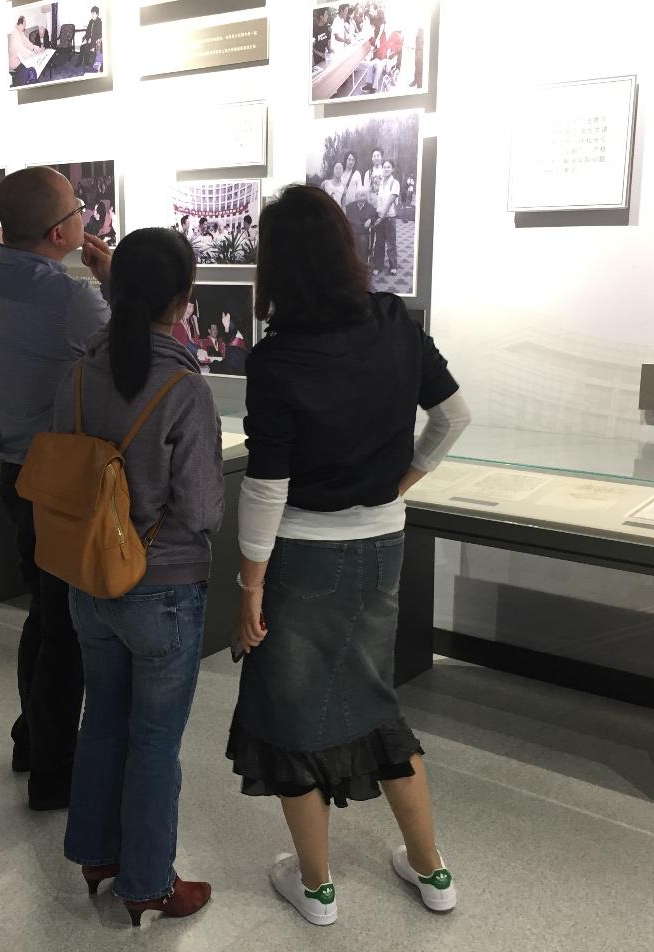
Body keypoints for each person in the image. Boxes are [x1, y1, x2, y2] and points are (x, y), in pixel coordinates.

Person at [226, 185, 470, 928]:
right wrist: (403, 481)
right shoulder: (395, 319)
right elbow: (453, 415)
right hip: (383, 544)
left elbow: (266, 487)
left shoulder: (276, 359)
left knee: (290, 714)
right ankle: (431, 870)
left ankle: (317, 888)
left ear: (275, 266)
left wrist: (248, 588)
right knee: (373, 699)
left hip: (302, 554)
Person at [51, 227, 223, 926]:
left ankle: (97, 852)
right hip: (163, 588)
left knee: (101, 719)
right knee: (154, 741)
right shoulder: (184, 387)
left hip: (87, 578)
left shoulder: (77, 374)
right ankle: (148, 882)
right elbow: (203, 509)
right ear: (184, 299)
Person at [0, 167, 112, 810]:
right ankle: (55, 772)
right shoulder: (69, 297)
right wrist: (113, 285)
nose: (86, 216)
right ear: (60, 232)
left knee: (45, 615)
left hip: (15, 471)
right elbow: (133, 356)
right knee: (67, 631)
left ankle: (32, 738)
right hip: (59, 483)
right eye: (79, 208)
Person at [373, 160, 402, 277]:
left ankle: (393, 266)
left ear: (392, 169)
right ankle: (378, 266)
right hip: (380, 216)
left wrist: (381, 216)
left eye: (388, 167)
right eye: (384, 167)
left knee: (391, 243)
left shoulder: (395, 183)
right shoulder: (380, 183)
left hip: (389, 217)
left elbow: (390, 201)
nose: (386, 169)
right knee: (379, 243)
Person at [344, 188, 378, 265]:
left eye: (364, 196)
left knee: (363, 241)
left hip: (363, 233)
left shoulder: (370, 207)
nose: (362, 198)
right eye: (360, 196)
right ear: (356, 197)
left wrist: (370, 220)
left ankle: (362, 264)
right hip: (352, 232)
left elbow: (375, 217)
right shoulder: (349, 207)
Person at [9, 16, 41, 86]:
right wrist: (32, 54)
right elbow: (21, 50)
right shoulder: (15, 34)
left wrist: (36, 48)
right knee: (31, 69)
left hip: (21, 58)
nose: (25, 27)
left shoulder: (20, 32)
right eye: (24, 25)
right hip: (15, 62)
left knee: (35, 64)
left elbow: (27, 43)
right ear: (20, 24)